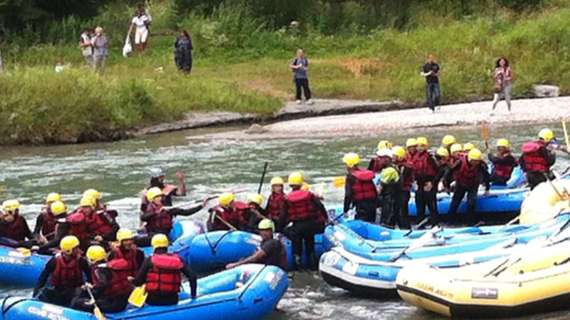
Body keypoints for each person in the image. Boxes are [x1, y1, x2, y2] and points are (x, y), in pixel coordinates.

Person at [279, 171, 327, 269]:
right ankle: (313, 265)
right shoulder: (309, 194)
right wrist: (325, 218)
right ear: (301, 183)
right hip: (310, 224)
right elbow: (320, 206)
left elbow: (283, 216)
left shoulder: (286, 198)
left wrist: (279, 229)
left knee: (297, 245)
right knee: (310, 243)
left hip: (297, 226)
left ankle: (298, 265)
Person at [132, 234, 197, 306]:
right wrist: (193, 296)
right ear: (167, 245)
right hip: (172, 299)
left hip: (153, 301)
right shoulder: (178, 259)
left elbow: (138, 282)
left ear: (153, 246)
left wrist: (132, 280)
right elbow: (192, 276)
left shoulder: (149, 260)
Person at [71, 245, 132, 313]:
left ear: (92, 259)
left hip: (112, 304)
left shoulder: (98, 270)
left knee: (77, 302)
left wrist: (92, 289)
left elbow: (102, 285)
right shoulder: (110, 266)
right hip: (125, 300)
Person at [34, 236, 91, 307]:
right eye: (76, 248)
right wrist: (35, 294)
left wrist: (86, 286)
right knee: (46, 292)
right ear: (68, 250)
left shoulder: (81, 261)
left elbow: (90, 277)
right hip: (58, 290)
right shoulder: (54, 261)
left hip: (74, 290)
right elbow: (42, 279)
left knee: (78, 295)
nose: (78, 250)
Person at [139, 187, 205, 245]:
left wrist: (201, 206)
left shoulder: (168, 210)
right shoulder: (149, 210)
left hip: (163, 237)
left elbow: (186, 212)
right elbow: (143, 217)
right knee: (137, 240)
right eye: (157, 197)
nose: (160, 198)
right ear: (152, 199)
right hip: (152, 235)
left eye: (161, 196)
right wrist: (155, 212)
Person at [445, 149, 491, 225]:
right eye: (474, 161)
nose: (476, 163)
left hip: (473, 184)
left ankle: (470, 222)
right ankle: (450, 221)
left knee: (471, 203)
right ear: (470, 159)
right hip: (460, 184)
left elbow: (486, 176)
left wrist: (487, 188)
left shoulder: (480, 164)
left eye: (477, 161)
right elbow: (449, 172)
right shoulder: (459, 162)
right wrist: (447, 185)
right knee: (455, 202)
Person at [343, 152, 378, 222]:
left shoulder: (350, 177)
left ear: (350, 165)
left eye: (346, 164)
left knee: (362, 223)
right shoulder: (366, 174)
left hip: (361, 206)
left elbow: (348, 195)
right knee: (371, 222)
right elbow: (374, 190)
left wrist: (345, 209)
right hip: (372, 204)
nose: (345, 166)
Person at [413, 137, 440, 225]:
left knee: (432, 207)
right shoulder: (414, 156)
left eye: (422, 146)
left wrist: (432, 183)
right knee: (420, 208)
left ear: (426, 147)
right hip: (419, 184)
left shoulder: (430, 157)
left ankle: (435, 224)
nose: (420, 148)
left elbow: (438, 171)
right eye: (418, 146)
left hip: (429, 184)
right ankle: (420, 225)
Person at [392, 146, 414, 228]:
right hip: (399, 192)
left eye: (394, 156)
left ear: (400, 157)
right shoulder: (397, 166)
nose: (393, 158)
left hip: (403, 192)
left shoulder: (404, 167)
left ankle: (405, 228)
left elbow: (401, 181)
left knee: (402, 212)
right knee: (397, 211)